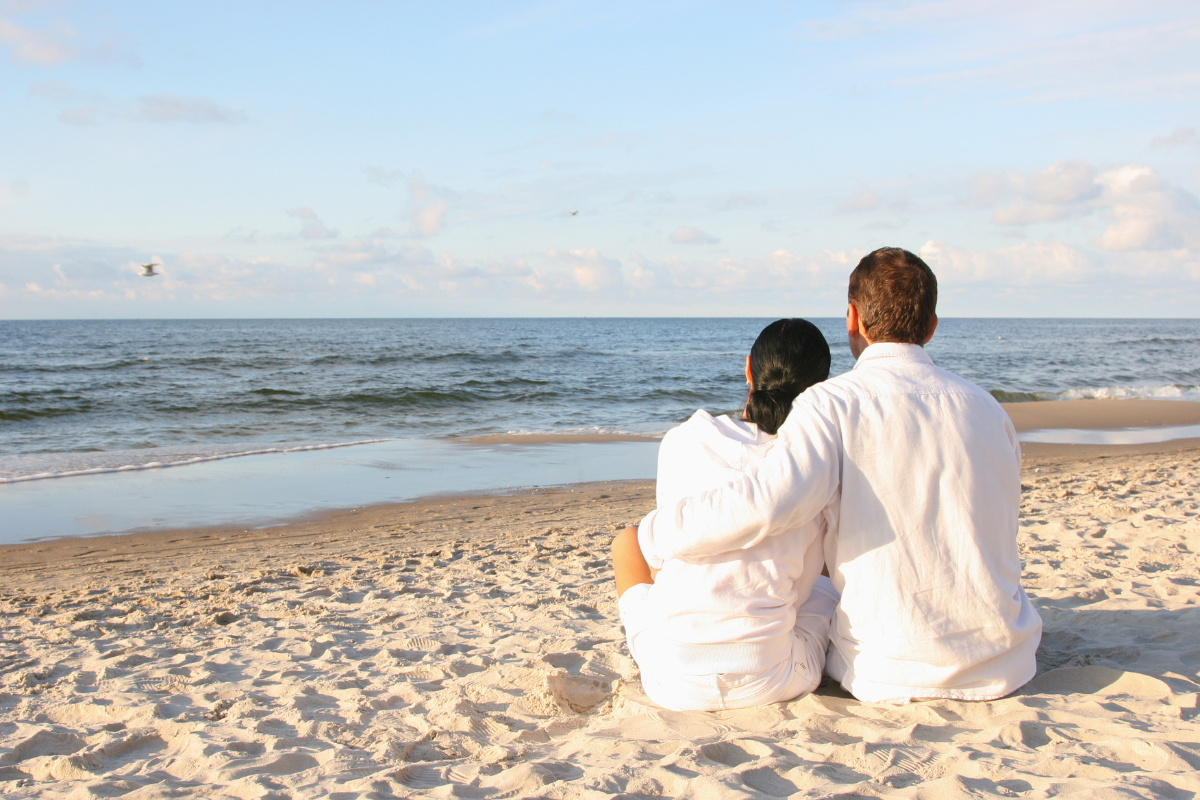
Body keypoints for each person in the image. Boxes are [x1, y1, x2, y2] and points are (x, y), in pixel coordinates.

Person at [636, 248, 1041, 703]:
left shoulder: (832, 404)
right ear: (931, 327)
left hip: (889, 670)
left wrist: (654, 534)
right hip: (1005, 660)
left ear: (853, 318)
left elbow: (768, 503)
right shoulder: (987, 407)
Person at [612, 319, 840, 711]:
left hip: (672, 680)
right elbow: (801, 591)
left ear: (749, 368)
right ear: (819, 389)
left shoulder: (683, 440)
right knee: (822, 564)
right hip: (769, 678)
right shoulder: (811, 466)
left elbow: (665, 556)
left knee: (626, 542)